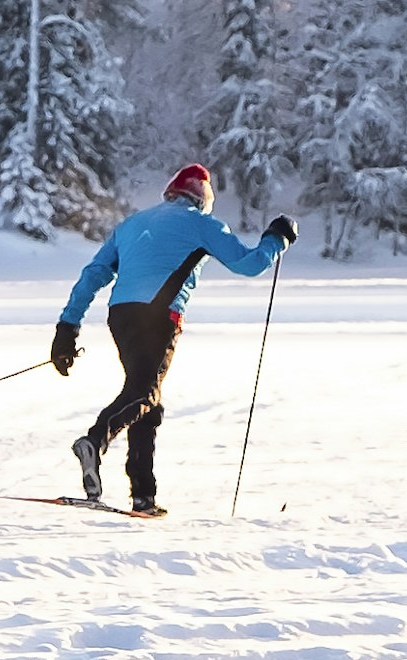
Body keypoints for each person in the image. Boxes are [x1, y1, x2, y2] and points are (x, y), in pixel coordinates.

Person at [50, 164, 295, 514]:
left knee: (146, 399)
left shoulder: (132, 224)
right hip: (160, 315)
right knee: (145, 393)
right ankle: (95, 440)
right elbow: (249, 265)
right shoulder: (201, 224)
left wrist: (67, 329)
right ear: (201, 199)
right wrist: (277, 238)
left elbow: (94, 274)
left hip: (120, 315)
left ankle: (143, 494)